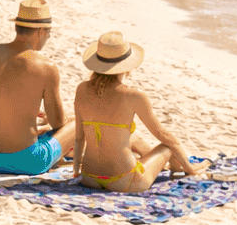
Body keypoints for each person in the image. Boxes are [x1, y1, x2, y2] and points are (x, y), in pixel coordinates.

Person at [72, 32, 208, 191]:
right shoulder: (134, 96)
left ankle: (167, 164)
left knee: (133, 137)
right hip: (123, 181)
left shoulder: (82, 89)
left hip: (89, 178)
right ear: (127, 67)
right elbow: (164, 136)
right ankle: (181, 168)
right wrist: (190, 168)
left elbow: (79, 138)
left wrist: (76, 172)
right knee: (168, 147)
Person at [0, 0, 77, 175]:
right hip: (27, 162)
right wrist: (60, 118)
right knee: (75, 124)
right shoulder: (47, 67)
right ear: (41, 31)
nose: (48, 37)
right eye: (49, 32)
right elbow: (58, 123)